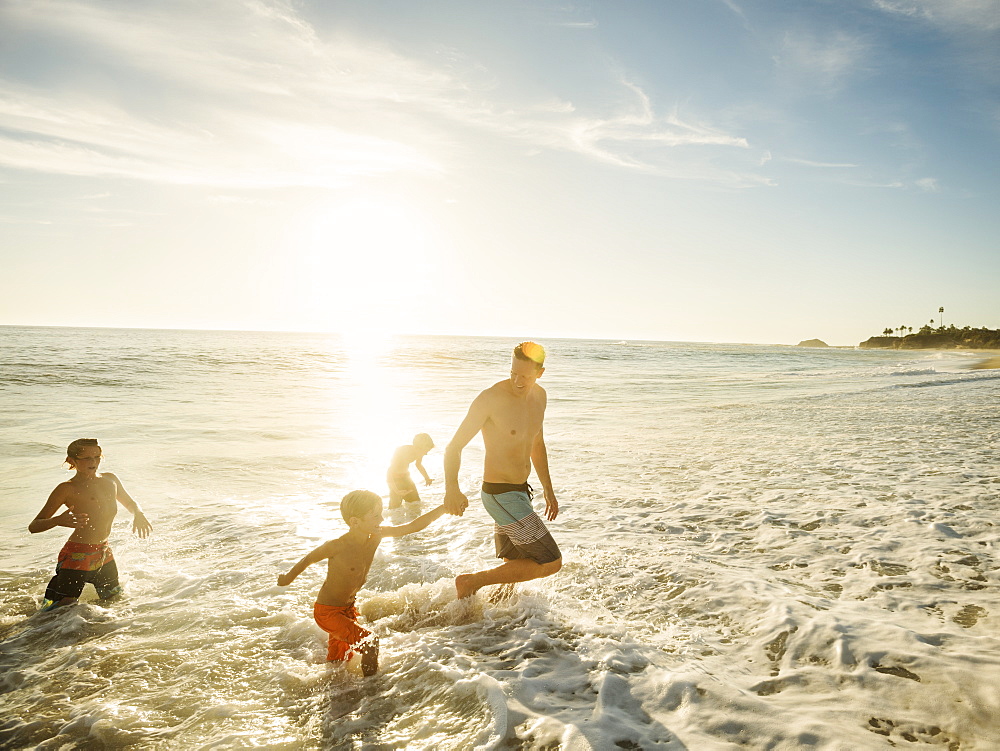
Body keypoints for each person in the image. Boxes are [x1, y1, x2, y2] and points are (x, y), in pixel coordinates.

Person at [276, 489, 446, 676]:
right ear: (355, 522)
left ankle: (335, 689)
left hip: (347, 610)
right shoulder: (337, 546)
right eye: (375, 516)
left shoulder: (376, 537)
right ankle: (371, 689)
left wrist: (445, 508)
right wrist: (288, 578)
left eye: (380, 514)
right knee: (370, 641)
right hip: (327, 612)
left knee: (339, 660)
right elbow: (309, 559)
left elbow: (412, 526)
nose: (381, 519)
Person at [444, 342, 562, 599]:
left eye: (526, 376)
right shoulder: (491, 399)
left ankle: (493, 621)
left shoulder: (540, 397)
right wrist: (452, 488)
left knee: (514, 564)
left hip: (520, 491)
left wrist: (549, 491)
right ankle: (469, 582)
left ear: (540, 373)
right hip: (499, 494)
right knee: (550, 561)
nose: (518, 381)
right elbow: (453, 447)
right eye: (513, 373)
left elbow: (537, 445)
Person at [29, 438, 153, 611]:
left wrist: (138, 514)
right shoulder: (66, 488)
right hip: (76, 555)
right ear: (71, 461)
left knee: (114, 600)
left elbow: (131, 503)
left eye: (97, 456)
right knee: (61, 611)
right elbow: (34, 526)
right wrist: (57, 521)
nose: (93, 462)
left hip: (103, 552)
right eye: (86, 458)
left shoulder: (111, 480)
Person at [387, 433, 434, 509]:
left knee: (415, 504)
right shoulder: (403, 451)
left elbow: (418, 464)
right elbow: (390, 472)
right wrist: (396, 490)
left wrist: (427, 478)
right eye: (426, 451)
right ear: (419, 447)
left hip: (406, 478)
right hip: (394, 480)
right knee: (395, 509)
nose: (426, 454)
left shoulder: (419, 452)